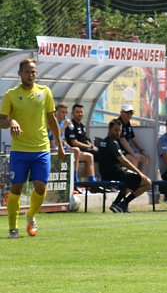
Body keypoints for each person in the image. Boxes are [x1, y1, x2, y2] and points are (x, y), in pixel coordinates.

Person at [0, 59, 66, 237]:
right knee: (16, 188)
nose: (31, 75)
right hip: (19, 150)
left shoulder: (45, 92)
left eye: (34, 72)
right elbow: (2, 120)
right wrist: (11, 121)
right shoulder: (11, 94)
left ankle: (30, 216)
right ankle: (13, 229)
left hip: (41, 148)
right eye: (27, 72)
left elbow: (51, 120)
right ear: (20, 73)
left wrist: (59, 145)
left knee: (40, 187)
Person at [94, 118, 151, 212]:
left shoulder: (104, 141)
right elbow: (124, 161)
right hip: (114, 174)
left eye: (120, 130)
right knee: (147, 182)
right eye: (116, 130)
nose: (118, 132)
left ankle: (117, 204)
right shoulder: (113, 143)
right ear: (109, 129)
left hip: (108, 173)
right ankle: (123, 204)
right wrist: (139, 172)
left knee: (130, 181)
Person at [54, 102, 96, 184]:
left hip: (63, 147)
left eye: (66, 112)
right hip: (54, 148)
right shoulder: (55, 123)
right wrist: (64, 127)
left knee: (89, 156)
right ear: (56, 112)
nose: (64, 114)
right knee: (76, 150)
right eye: (62, 112)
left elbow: (61, 139)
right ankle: (74, 178)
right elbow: (55, 137)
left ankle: (92, 182)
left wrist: (66, 145)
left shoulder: (64, 123)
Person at [64, 103, 99, 184]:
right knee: (89, 156)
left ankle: (96, 181)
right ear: (72, 113)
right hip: (73, 151)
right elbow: (74, 142)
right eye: (77, 112)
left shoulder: (82, 126)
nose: (80, 114)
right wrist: (89, 146)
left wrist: (92, 146)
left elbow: (86, 139)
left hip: (83, 150)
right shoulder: (71, 125)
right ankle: (91, 182)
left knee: (100, 153)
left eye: (81, 112)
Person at [117, 104, 149, 172]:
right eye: (127, 112)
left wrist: (142, 150)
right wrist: (133, 153)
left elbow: (133, 138)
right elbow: (122, 140)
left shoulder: (128, 123)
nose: (129, 115)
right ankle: (133, 180)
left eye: (131, 113)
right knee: (134, 159)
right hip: (119, 152)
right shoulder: (118, 123)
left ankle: (143, 179)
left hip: (127, 152)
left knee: (145, 159)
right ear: (121, 112)